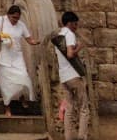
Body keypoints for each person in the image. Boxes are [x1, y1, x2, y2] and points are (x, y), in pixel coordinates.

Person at [0, 3, 35, 115]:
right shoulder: (1, 20)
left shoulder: (21, 25)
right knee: (6, 83)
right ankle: (7, 107)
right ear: (8, 15)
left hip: (17, 56)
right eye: (14, 17)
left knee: (23, 76)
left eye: (17, 18)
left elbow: (29, 39)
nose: (15, 20)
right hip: (4, 56)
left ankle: (22, 97)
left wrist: (36, 42)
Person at [52, 10, 89, 140]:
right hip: (73, 75)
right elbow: (70, 54)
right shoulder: (70, 35)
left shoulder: (59, 35)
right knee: (84, 108)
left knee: (69, 108)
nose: (76, 27)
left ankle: (68, 137)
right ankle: (81, 137)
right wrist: (79, 46)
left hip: (64, 76)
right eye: (75, 24)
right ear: (69, 23)